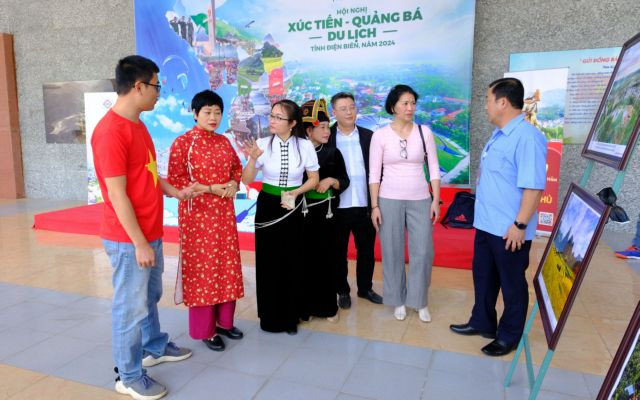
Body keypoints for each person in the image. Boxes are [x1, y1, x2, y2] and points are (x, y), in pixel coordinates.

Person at [91, 55, 194, 400]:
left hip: (149, 231)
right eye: (156, 85)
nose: (159, 92)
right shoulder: (110, 132)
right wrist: (138, 243)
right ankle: (128, 375)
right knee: (130, 307)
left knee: (149, 297)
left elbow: (147, 172)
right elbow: (117, 195)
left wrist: (173, 190)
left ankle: (154, 346)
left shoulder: (137, 124)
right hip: (128, 238)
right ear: (138, 86)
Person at [450, 77, 547, 357]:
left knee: (512, 283)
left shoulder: (527, 137)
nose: (486, 106)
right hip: (487, 224)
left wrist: (520, 224)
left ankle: (509, 336)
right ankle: (482, 321)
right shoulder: (500, 133)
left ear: (502, 102)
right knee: (484, 276)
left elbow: (533, 187)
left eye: (488, 100)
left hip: (509, 229)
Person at [167, 90, 244, 353]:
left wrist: (233, 183)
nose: (213, 117)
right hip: (197, 217)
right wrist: (210, 188)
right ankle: (205, 330)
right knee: (203, 270)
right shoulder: (183, 143)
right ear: (195, 113)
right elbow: (176, 181)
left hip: (224, 214)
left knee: (226, 265)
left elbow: (236, 169)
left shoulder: (224, 141)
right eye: (207, 112)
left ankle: (224, 322)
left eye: (217, 112)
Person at [241, 99, 320, 334]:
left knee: (293, 258)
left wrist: (296, 192)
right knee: (268, 260)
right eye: (272, 116)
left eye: (278, 117)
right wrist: (253, 158)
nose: (272, 121)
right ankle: (269, 316)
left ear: (293, 123)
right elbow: (246, 180)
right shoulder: (262, 144)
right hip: (268, 205)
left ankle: (290, 316)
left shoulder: (304, 146)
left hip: (294, 205)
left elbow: (314, 179)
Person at [369, 84, 441, 322]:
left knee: (423, 251)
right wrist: (374, 206)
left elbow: (434, 169)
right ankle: (398, 299)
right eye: (405, 103)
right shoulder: (380, 135)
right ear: (393, 107)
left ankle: (419, 301)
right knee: (391, 251)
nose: (410, 108)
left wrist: (436, 200)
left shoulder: (424, 132)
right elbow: (374, 174)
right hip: (388, 199)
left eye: (413, 103)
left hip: (420, 199)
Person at [328, 92, 383, 309]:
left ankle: (365, 288)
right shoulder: (327, 137)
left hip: (364, 204)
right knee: (338, 252)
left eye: (352, 107)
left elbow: (378, 170)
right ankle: (342, 290)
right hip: (337, 205)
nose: (349, 112)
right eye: (343, 109)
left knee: (366, 250)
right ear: (334, 112)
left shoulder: (370, 136)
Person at [300, 98, 350, 322]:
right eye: (321, 128)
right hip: (302, 213)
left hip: (328, 214)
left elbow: (344, 180)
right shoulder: (298, 153)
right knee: (305, 259)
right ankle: (306, 307)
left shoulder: (332, 153)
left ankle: (328, 307)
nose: (327, 131)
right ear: (308, 131)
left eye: (327, 127)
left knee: (328, 258)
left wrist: (331, 180)